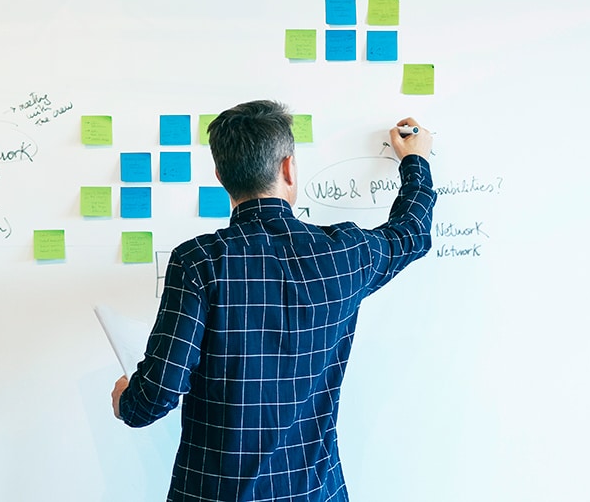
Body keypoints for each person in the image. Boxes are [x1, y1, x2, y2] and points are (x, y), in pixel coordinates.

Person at [112, 100, 436, 501]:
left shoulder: (197, 263)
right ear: (288, 168)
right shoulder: (342, 255)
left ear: (221, 176)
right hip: (313, 492)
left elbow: (153, 397)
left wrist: (127, 398)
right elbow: (412, 232)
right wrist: (415, 161)